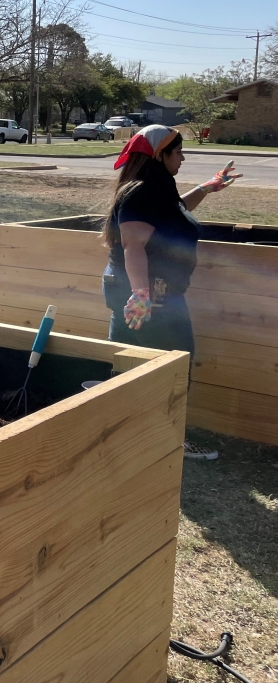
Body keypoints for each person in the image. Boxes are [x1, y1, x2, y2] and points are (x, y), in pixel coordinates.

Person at [102, 124, 240, 459]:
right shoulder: (142, 192)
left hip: (156, 297)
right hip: (151, 299)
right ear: (159, 155)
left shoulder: (157, 189)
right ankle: (161, 440)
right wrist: (141, 295)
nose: (182, 157)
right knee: (165, 369)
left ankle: (142, 438)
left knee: (151, 368)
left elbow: (174, 211)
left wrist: (207, 188)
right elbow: (134, 246)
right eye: (177, 152)